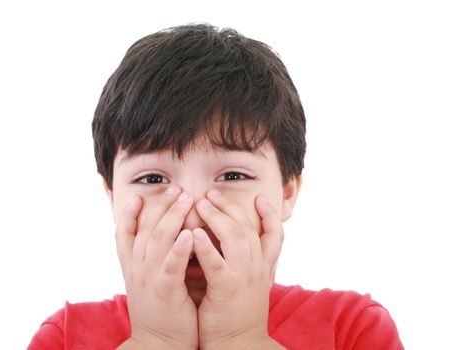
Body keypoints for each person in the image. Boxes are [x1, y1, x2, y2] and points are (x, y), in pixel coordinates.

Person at [28, 23, 403, 349]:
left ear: (287, 191)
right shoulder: (63, 337)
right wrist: (156, 340)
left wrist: (241, 339)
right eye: (153, 179)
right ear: (113, 196)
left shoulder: (352, 327)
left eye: (233, 176)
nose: (191, 209)